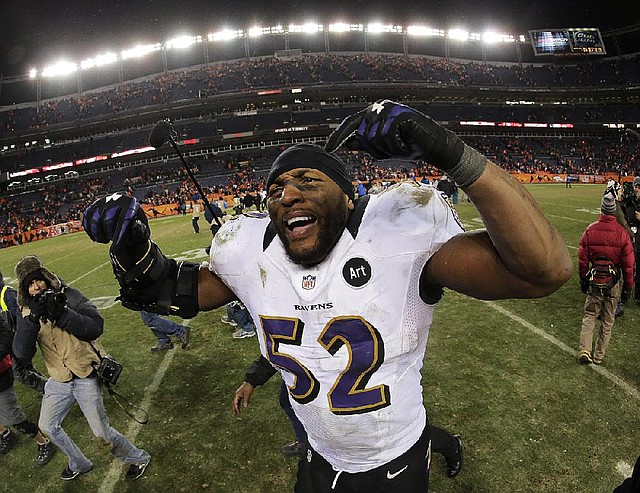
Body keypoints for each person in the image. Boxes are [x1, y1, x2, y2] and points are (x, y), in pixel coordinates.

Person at [83, 99, 572, 492]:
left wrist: (450, 152)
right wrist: (131, 247)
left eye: (307, 181)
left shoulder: (396, 234)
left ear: (347, 195)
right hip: (319, 460)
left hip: (394, 463)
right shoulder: (249, 253)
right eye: (275, 190)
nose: (286, 195)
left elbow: (542, 272)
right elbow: (166, 292)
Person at [12, 255, 151, 482]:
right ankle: (78, 462)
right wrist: (32, 321)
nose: (36, 287)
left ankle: (138, 458)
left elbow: (96, 326)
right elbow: (22, 353)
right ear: (24, 290)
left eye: (38, 281)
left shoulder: (69, 296)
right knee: (47, 425)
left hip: (85, 373)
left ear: (46, 278)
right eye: (29, 284)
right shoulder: (26, 312)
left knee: (101, 432)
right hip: (58, 378)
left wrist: (63, 314)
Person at [232, 355, 464, 477]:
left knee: (389, 436)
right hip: (308, 380)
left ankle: (451, 445)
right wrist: (253, 378)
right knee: (292, 405)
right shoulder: (295, 290)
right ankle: (307, 444)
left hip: (351, 381)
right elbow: (280, 339)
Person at [577, 193, 634, 365]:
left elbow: (582, 259)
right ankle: (599, 356)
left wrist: (583, 280)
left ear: (602, 209)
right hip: (613, 281)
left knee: (590, 315)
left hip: (596, 279)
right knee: (608, 320)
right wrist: (628, 288)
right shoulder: (622, 233)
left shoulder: (590, 229)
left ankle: (585, 350)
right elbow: (628, 265)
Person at [0, 311, 55, 466]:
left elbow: (6, 337)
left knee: (16, 418)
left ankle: (43, 442)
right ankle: (5, 434)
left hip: (1, 377)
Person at [232, 355, 308, 457]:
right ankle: (304, 442)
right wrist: (251, 380)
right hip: (301, 370)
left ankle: (312, 445)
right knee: (287, 401)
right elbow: (277, 349)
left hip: (320, 374)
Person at [620, 176, 640, 303]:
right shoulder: (628, 201)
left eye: (639, 186)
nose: (637, 189)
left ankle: (638, 296)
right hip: (628, 236)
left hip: (639, 238)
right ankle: (624, 295)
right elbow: (618, 215)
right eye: (636, 186)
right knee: (626, 267)